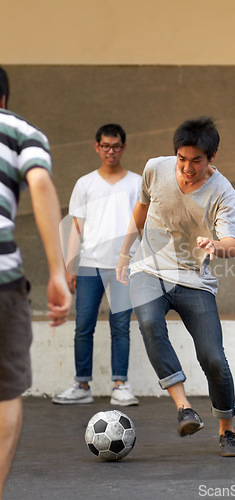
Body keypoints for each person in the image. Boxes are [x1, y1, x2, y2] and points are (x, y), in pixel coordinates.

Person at [116, 116, 235, 457]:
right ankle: (184, 408)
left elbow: (232, 244)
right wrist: (124, 254)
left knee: (213, 358)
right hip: (150, 268)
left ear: (212, 157)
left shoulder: (222, 192)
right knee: (148, 322)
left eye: (197, 161)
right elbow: (141, 210)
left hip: (194, 280)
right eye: (182, 159)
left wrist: (215, 246)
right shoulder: (155, 169)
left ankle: (227, 430)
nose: (187, 168)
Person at [0, 66, 72, 499]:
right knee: (5, 393)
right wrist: (58, 273)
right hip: (1, 281)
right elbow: (41, 181)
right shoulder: (18, 130)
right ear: (4, 100)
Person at [53, 124, 142, 406]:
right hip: (89, 265)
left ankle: (121, 385)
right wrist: (70, 266)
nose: (110, 151)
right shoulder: (85, 184)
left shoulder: (137, 182)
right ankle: (81, 384)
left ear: (124, 147)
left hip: (123, 266)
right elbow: (75, 227)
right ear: (97, 147)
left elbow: (144, 224)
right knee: (83, 326)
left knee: (121, 327)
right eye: (105, 146)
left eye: (116, 146)